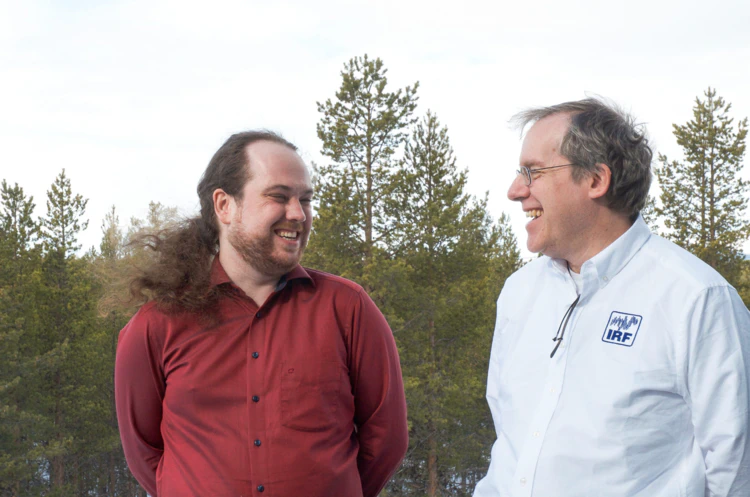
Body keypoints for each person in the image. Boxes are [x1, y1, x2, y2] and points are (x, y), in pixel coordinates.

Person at [473, 98, 750, 497]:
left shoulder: (697, 299)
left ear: (595, 181)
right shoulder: (518, 293)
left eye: (532, 172)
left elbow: (736, 474)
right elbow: (511, 446)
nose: (515, 190)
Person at [115, 131, 408, 497]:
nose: (298, 213)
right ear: (224, 205)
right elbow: (144, 453)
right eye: (279, 196)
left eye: (305, 199)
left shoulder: (348, 308)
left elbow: (387, 439)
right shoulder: (157, 323)